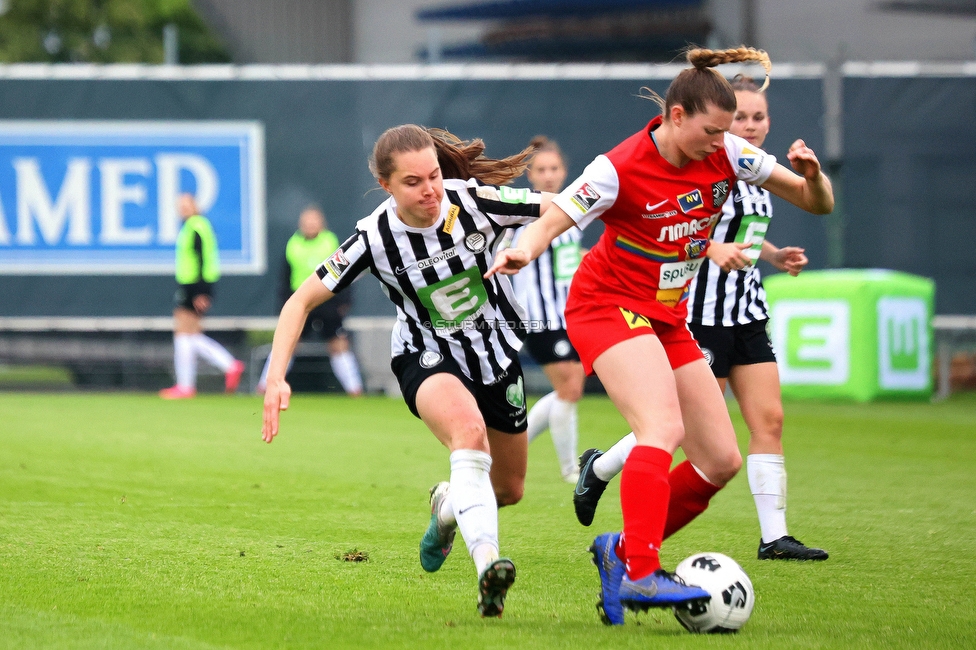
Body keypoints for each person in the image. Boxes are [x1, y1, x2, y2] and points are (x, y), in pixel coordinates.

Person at [486, 47, 833, 625]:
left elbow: (815, 203)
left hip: (665, 315)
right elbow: (554, 219)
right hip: (605, 305)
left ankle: (620, 552)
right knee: (662, 427)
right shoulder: (617, 167)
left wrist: (814, 179)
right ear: (675, 117)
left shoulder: (730, 152)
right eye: (710, 130)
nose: (721, 142)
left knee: (719, 459)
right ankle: (643, 574)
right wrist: (524, 247)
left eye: (727, 132)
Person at [261, 125, 553, 618]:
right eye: (413, 182)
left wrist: (533, 243)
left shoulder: (475, 201)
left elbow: (561, 207)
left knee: (509, 489)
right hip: (426, 354)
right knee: (469, 432)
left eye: (435, 175)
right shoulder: (374, 237)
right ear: (387, 186)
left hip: (497, 354)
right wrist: (275, 376)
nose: (431, 190)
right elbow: (300, 300)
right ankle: (488, 567)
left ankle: (446, 509)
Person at [572, 76, 829, 562]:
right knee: (668, 424)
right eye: (739, 119)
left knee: (756, 425)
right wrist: (711, 248)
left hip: (746, 308)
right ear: (685, 117)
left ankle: (773, 535)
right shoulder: (697, 159)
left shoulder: (750, 171)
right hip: (696, 309)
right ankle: (607, 479)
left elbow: (757, 233)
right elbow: (670, 222)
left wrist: (771, 256)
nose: (746, 127)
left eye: (757, 118)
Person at [513, 136, 586, 483]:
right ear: (530, 174)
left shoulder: (574, 211)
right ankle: (570, 468)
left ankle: (511, 448)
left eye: (554, 168)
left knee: (568, 390)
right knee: (570, 388)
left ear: (565, 171)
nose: (548, 175)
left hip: (569, 315)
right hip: (540, 318)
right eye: (541, 169)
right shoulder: (526, 215)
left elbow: (567, 264)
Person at [255, 205, 364, 396]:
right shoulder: (293, 244)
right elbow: (285, 277)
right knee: (288, 342)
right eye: (307, 221)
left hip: (327, 300)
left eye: (314, 221)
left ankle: (355, 390)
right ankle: (265, 386)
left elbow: (346, 270)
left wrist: (344, 300)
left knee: (338, 344)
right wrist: (285, 304)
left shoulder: (330, 242)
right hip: (301, 301)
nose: (310, 225)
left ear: (322, 223)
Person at [160, 193, 245, 399]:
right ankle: (216, 371)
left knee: (183, 334)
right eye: (180, 205)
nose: (183, 208)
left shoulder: (197, 227)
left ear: (195, 206)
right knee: (190, 335)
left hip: (194, 286)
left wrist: (201, 291)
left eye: (187, 205)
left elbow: (203, 260)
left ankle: (193, 381)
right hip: (193, 284)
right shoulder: (194, 226)